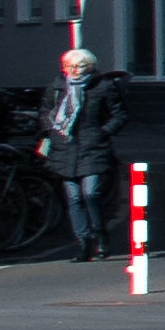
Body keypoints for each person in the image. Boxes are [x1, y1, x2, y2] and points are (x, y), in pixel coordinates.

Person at [37, 45, 112, 260]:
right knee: (74, 198)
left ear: (89, 67)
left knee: (91, 193)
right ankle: (84, 242)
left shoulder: (102, 87)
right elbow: (45, 112)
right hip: (64, 147)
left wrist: (103, 132)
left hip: (92, 147)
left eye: (79, 66)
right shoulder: (57, 87)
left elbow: (119, 114)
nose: (73, 70)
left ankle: (100, 235)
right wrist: (51, 130)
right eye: (69, 66)